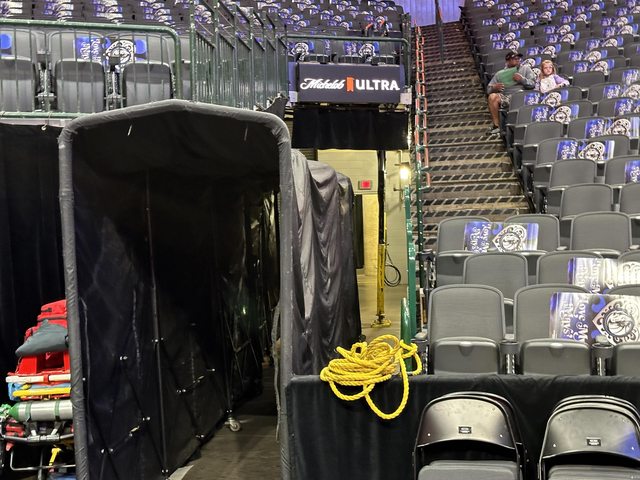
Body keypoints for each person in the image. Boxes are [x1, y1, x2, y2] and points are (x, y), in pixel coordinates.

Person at [486, 51, 536, 135]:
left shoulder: (525, 69)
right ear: (507, 61)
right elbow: (488, 90)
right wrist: (494, 88)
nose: (517, 59)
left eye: (518, 58)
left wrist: (522, 80)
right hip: (507, 97)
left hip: (523, 96)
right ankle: (496, 126)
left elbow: (533, 84)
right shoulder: (500, 74)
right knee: (492, 97)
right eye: (514, 58)